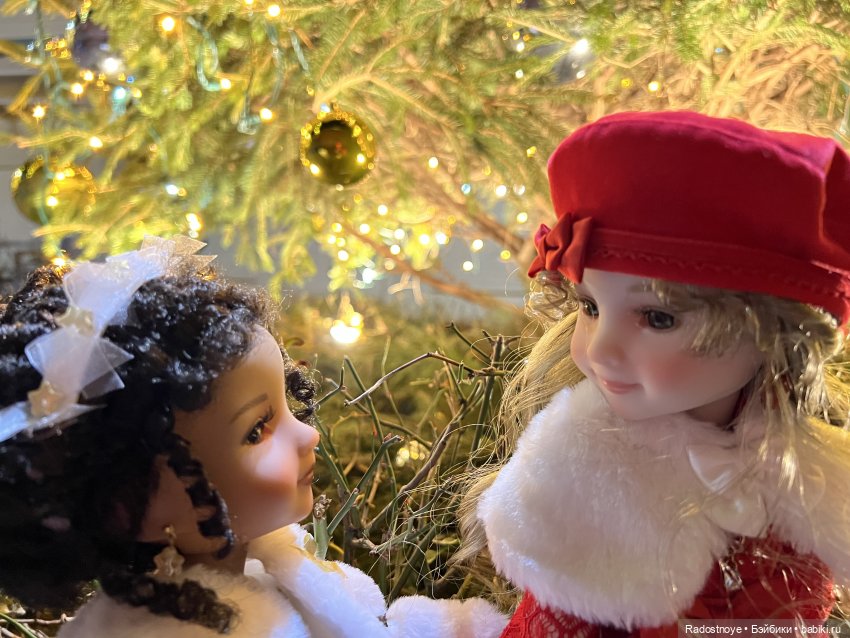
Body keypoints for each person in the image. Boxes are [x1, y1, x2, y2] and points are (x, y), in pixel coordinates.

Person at [458, 111, 850, 637]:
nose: (601, 350)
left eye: (658, 318)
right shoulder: (581, 484)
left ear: (772, 334)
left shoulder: (808, 490)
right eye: (590, 306)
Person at [0, 236, 506, 638]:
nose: (307, 435)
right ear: (129, 506)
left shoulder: (275, 563)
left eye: (286, 403)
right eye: (257, 430)